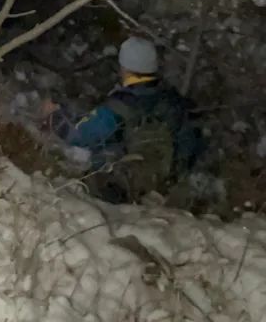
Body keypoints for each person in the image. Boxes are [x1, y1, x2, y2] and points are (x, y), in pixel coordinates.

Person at [40, 36, 204, 204]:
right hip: (163, 186)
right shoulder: (174, 101)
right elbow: (190, 144)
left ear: (125, 67)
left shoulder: (122, 104)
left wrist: (53, 116)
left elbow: (80, 135)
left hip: (121, 188)